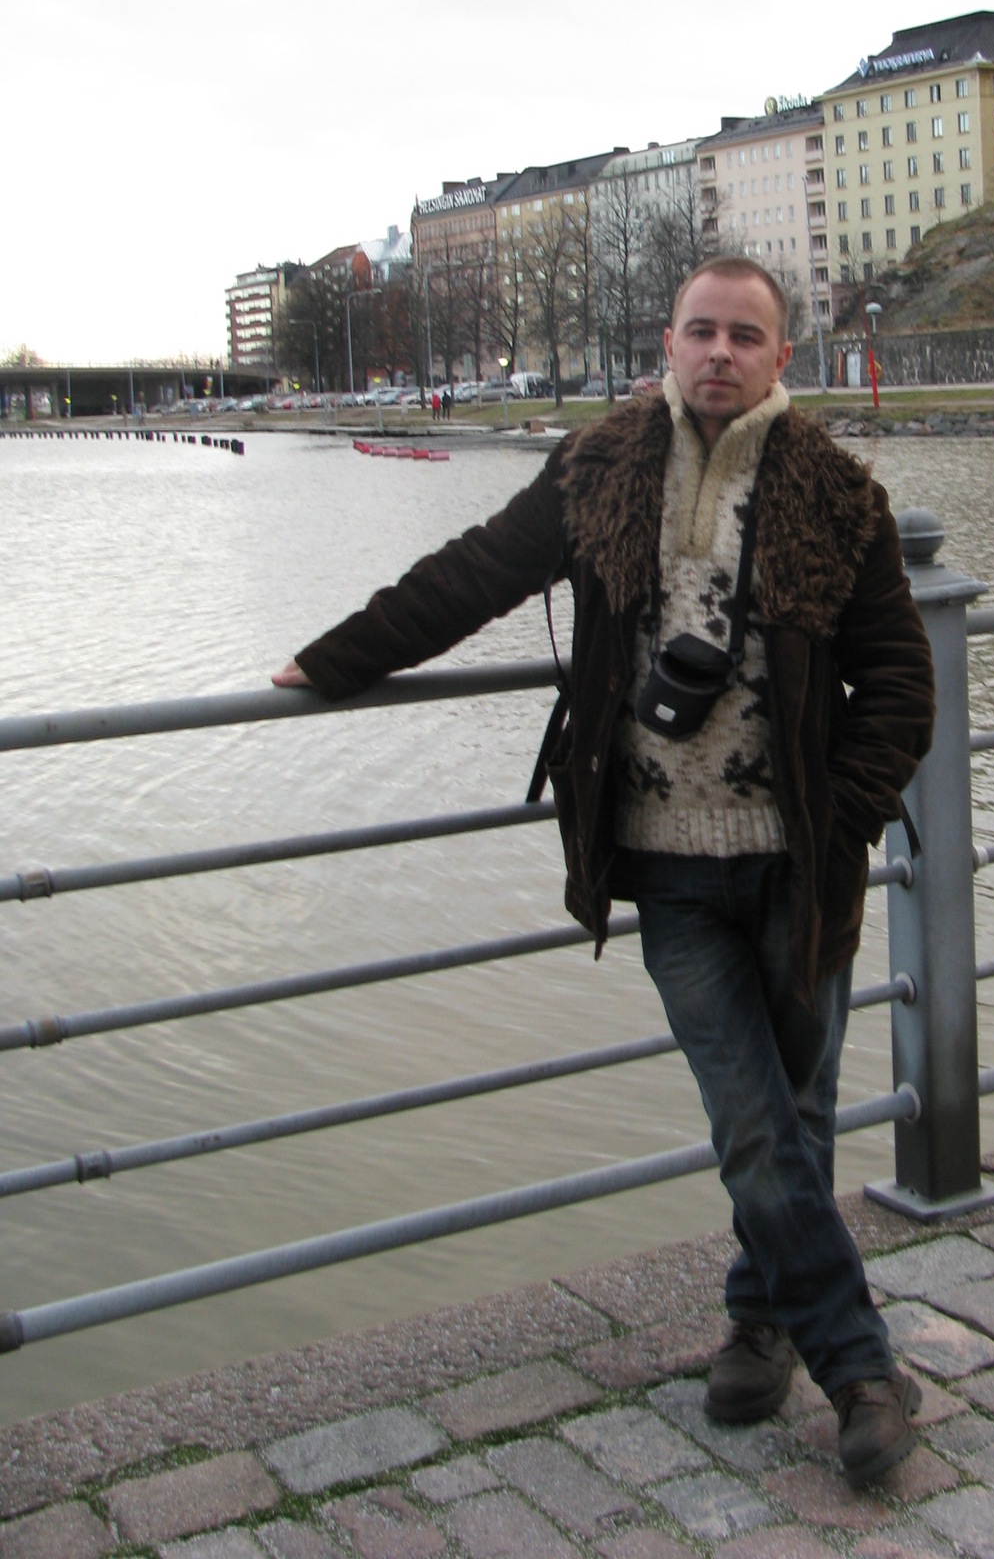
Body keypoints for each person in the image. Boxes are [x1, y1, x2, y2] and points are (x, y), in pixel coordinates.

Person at [272, 257, 936, 1487]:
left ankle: (759, 1319)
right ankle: (863, 1371)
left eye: (746, 334)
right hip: (668, 867)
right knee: (753, 1119)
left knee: (793, 1112)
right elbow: (472, 573)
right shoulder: (600, 469)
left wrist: (840, 821)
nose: (721, 351)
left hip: (804, 867)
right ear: (668, 343)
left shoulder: (837, 493)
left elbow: (901, 681)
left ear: (781, 356)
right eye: (702, 330)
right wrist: (336, 656)